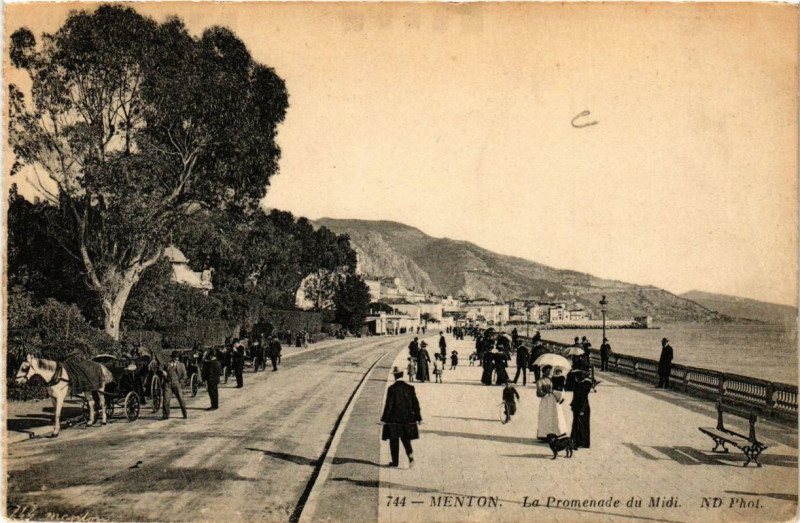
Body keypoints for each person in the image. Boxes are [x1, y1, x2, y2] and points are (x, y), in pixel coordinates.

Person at [381, 367, 422, 468]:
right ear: (402, 375)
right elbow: (415, 404)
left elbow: (389, 406)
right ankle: (410, 456)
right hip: (408, 419)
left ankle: (395, 462)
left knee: (394, 440)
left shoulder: (392, 389)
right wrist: (419, 418)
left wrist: (383, 420)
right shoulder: (410, 388)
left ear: (395, 376)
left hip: (394, 420)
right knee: (406, 439)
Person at [536, 365, 568, 441]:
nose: (549, 372)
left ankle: (556, 433)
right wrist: (545, 392)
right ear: (543, 372)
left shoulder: (552, 379)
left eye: (550, 371)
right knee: (546, 417)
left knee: (555, 416)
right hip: (545, 401)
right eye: (547, 371)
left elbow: (559, 388)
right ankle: (544, 435)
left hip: (553, 399)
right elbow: (538, 394)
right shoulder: (540, 381)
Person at [161, 351, 188, 420]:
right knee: (166, 400)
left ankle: (184, 414)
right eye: (173, 358)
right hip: (168, 384)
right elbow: (160, 368)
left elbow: (184, 376)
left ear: (178, 358)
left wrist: (180, 383)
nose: (175, 359)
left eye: (176, 358)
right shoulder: (167, 364)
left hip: (176, 384)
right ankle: (165, 415)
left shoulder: (182, 365)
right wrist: (163, 371)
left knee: (181, 399)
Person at [570, 370, 592, 448]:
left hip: (583, 408)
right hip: (577, 407)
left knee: (582, 425)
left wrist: (582, 410)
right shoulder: (578, 385)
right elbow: (575, 397)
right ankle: (576, 441)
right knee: (576, 424)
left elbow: (584, 399)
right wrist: (572, 405)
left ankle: (583, 442)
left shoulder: (584, 386)